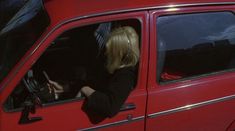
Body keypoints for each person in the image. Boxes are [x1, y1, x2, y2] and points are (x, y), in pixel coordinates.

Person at [48, 26, 140, 119]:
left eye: (111, 50)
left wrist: (87, 90)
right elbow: (96, 84)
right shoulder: (114, 67)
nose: (107, 52)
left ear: (120, 53)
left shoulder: (126, 76)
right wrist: (67, 88)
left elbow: (110, 107)